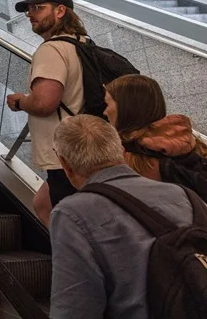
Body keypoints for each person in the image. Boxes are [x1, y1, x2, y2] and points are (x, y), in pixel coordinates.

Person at [50, 114, 202, 319]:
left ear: (65, 164)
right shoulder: (185, 195)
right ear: (121, 151)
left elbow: (74, 310)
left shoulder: (72, 214)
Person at [5, 0, 86, 227]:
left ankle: (75, 261)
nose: (31, 14)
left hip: (63, 151)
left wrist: (19, 101)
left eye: (38, 8)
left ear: (61, 10)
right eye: (29, 9)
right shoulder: (83, 43)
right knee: (43, 203)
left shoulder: (52, 49)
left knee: (70, 223)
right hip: (84, 146)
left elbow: (44, 103)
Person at [105, 74, 207, 201]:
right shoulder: (186, 138)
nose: (105, 112)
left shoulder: (133, 161)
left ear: (124, 109)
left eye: (107, 104)